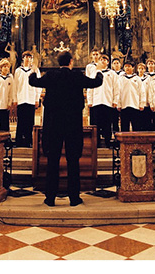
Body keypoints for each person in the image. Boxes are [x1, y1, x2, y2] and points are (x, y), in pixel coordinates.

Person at [29, 51, 103, 207]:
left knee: (53, 160)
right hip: (73, 123)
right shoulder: (76, 76)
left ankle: (50, 198)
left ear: (59, 62)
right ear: (71, 62)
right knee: (73, 160)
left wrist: (33, 69)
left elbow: (33, 82)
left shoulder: (51, 75)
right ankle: (74, 198)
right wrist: (99, 70)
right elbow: (95, 83)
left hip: (53, 123)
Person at [87, 54, 119, 147]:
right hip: (96, 101)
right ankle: (96, 144)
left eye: (105, 60)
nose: (103, 61)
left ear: (108, 62)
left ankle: (108, 142)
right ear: (99, 61)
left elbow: (116, 88)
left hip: (108, 101)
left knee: (107, 124)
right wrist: (90, 101)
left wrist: (115, 100)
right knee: (96, 125)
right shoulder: (94, 73)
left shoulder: (112, 73)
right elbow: (90, 88)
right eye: (101, 60)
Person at [14, 51, 42, 147]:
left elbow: (38, 86)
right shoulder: (18, 71)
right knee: (20, 121)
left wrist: (37, 98)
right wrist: (15, 99)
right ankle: (19, 141)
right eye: (26, 57)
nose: (28, 59)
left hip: (31, 98)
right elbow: (15, 86)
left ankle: (29, 141)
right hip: (21, 98)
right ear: (23, 58)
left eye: (30, 57)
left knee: (30, 122)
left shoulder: (35, 70)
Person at [117, 60, 145, 131]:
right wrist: (119, 104)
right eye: (126, 66)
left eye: (129, 66)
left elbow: (142, 92)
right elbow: (118, 92)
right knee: (124, 126)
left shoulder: (137, 78)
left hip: (135, 105)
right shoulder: (121, 79)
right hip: (124, 105)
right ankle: (125, 142)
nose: (127, 68)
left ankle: (136, 141)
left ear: (133, 68)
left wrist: (142, 104)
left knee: (136, 126)